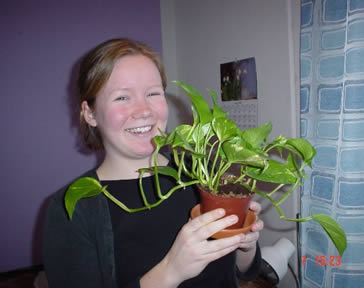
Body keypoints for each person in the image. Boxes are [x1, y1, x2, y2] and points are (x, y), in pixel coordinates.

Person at [43, 38, 264, 288]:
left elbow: (243, 269)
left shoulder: (205, 174)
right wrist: (171, 271)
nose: (144, 110)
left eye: (152, 93)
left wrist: (246, 244)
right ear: (90, 113)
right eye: (122, 97)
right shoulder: (71, 208)